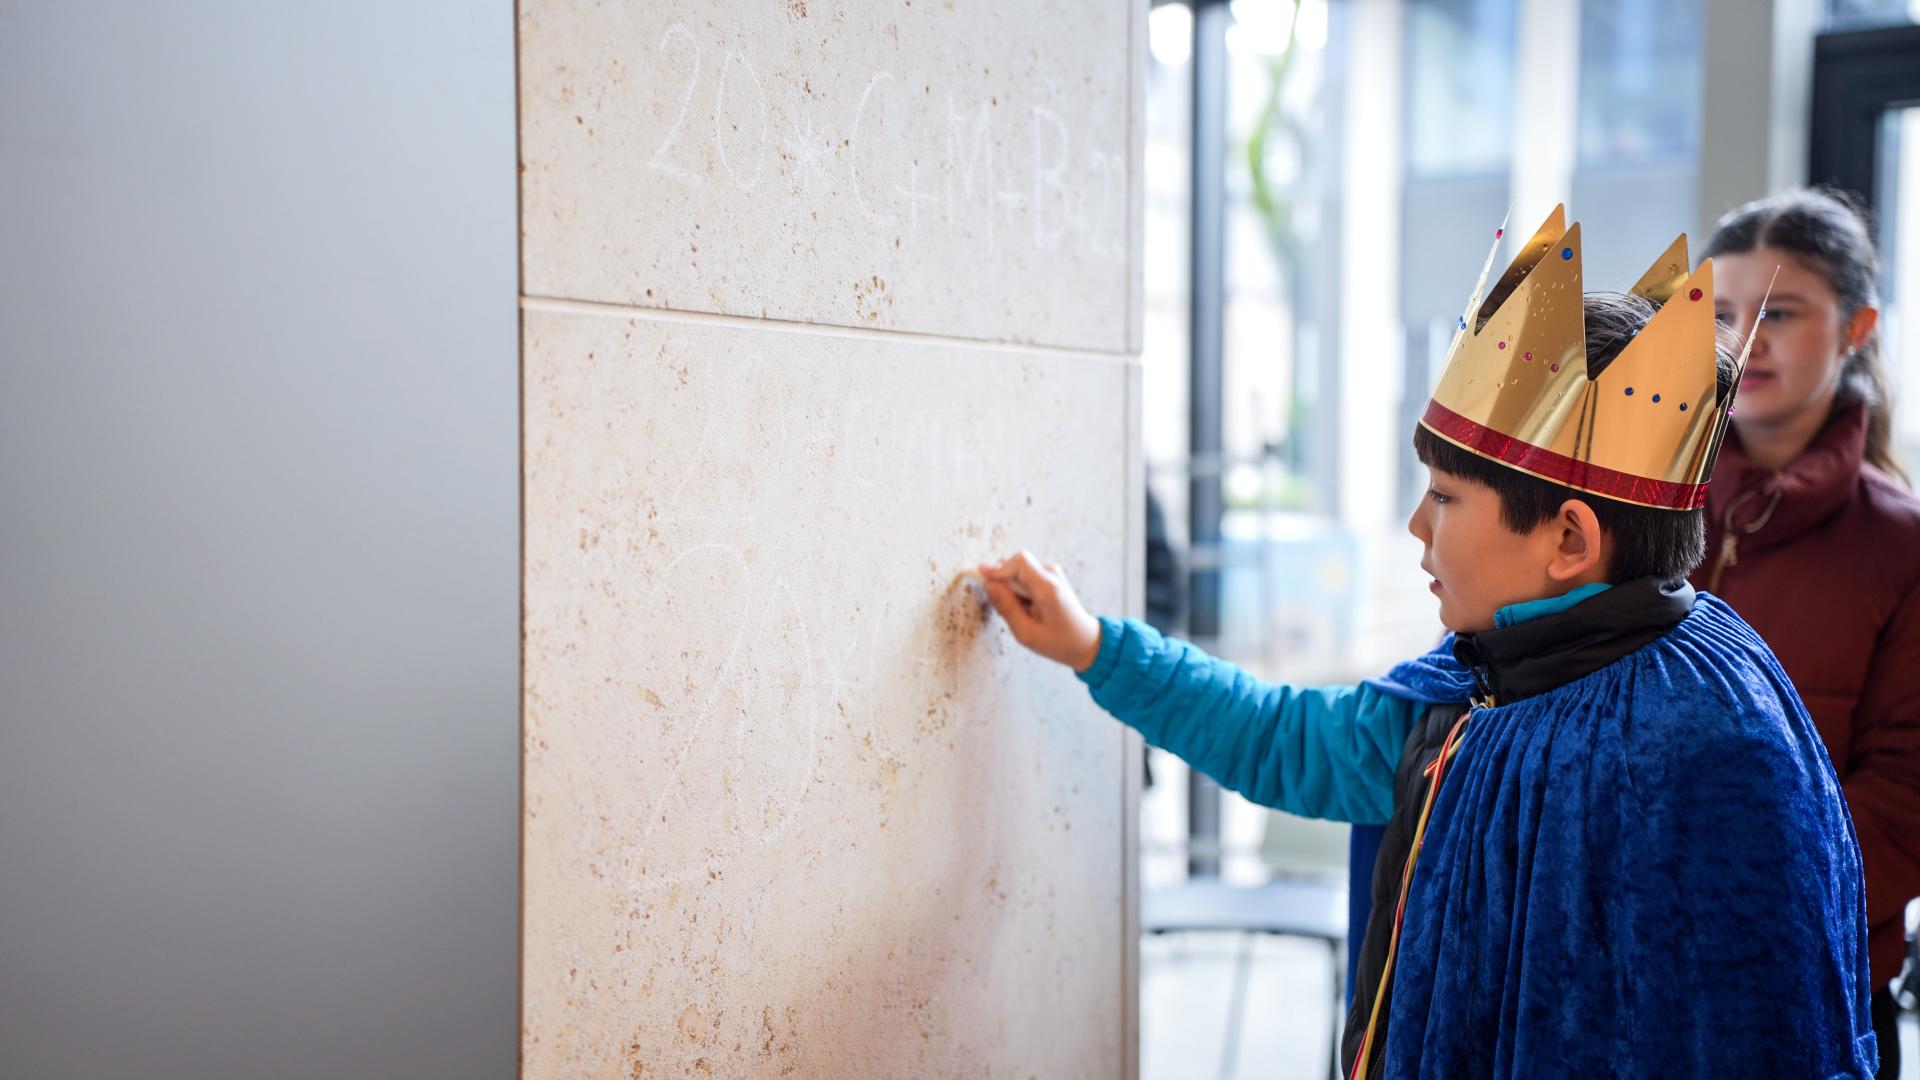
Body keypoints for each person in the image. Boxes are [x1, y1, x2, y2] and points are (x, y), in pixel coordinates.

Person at [979, 208, 1877, 1077]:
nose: (1416, 525)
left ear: (1568, 540)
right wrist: (1097, 645)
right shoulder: (1469, 691)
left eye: (1445, 497)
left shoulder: (1720, 735)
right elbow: (1283, 739)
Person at [1694, 187, 1920, 1080]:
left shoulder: (1900, 544)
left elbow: (1905, 807)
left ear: (1857, 325)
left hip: (1813, 988)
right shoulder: (1634, 507)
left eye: (1779, 313)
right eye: (1718, 313)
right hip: (1634, 962)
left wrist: (1708, 876)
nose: (1744, 339)